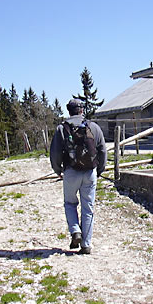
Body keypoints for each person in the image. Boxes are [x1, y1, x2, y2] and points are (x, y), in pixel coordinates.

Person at [50, 99, 106, 254]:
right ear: (82, 110)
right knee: (88, 207)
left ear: (69, 111)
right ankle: (86, 245)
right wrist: (99, 170)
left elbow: (54, 153)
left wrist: (58, 170)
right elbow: (102, 150)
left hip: (71, 172)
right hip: (90, 172)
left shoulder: (62, 128)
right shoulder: (93, 127)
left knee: (70, 203)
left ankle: (75, 231)